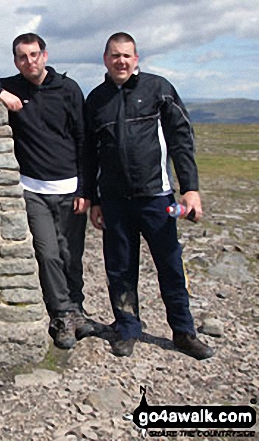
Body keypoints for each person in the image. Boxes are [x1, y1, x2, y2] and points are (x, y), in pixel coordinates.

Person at [0, 33, 93, 350]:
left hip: (71, 190)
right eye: (22, 57)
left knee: (72, 256)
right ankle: (61, 316)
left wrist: (86, 188)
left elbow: (84, 140)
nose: (29, 61)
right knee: (48, 253)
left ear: (45, 55)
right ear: (15, 61)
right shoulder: (13, 86)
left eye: (34, 54)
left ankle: (77, 309)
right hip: (34, 190)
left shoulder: (68, 89)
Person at [84, 32, 214, 360]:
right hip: (114, 202)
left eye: (127, 55)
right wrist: (94, 199)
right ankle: (127, 328)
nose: (121, 61)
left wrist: (191, 189)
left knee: (170, 266)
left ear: (136, 59)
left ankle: (184, 332)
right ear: (105, 59)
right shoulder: (96, 100)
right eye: (115, 55)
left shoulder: (158, 89)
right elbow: (89, 154)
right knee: (120, 269)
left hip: (158, 198)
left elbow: (181, 138)